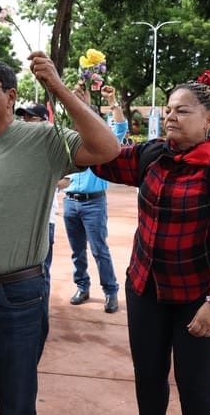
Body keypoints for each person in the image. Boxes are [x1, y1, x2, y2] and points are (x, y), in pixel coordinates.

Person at [0, 54, 121, 414]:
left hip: (16, 297)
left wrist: (57, 88)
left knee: (16, 403)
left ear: (11, 96)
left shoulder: (42, 140)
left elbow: (108, 148)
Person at [91, 70, 210, 414]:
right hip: (145, 290)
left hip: (199, 298)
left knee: (194, 388)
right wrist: (75, 103)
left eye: (182, 111)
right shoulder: (151, 156)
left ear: (208, 120)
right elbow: (101, 159)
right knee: (148, 382)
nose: (170, 116)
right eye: (168, 109)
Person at [62, 85, 128, 314]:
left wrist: (112, 101)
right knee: (76, 250)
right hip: (70, 202)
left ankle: (110, 291)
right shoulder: (68, 140)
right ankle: (82, 287)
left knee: (99, 249)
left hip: (93, 203)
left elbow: (120, 126)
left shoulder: (103, 141)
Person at [14, 102, 59, 293]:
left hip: (42, 223)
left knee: (39, 275)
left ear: (45, 122)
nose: (25, 122)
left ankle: (41, 321)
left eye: (31, 118)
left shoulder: (51, 146)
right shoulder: (18, 145)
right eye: (23, 118)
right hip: (17, 221)